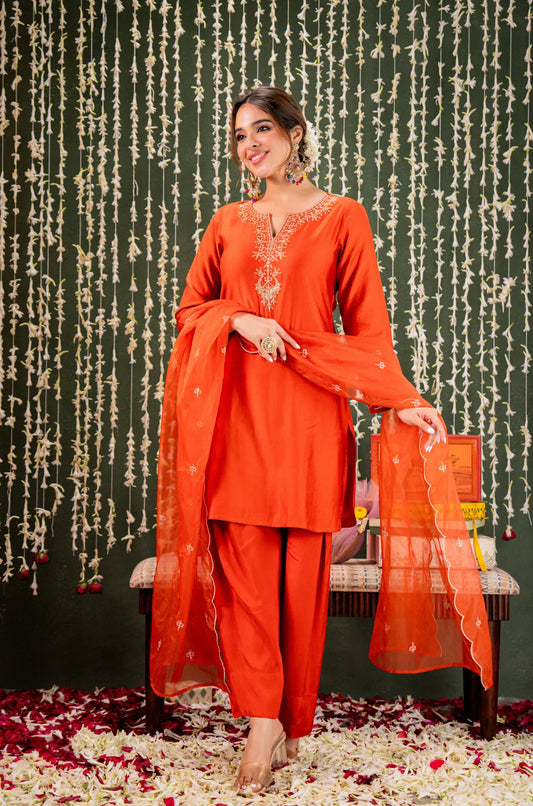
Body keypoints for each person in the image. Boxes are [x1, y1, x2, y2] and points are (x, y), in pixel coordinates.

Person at [150, 86, 493, 796]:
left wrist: (401, 401)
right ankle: (260, 726)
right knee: (245, 581)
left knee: (296, 584)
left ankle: (283, 717)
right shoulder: (227, 221)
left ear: (295, 133)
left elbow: (367, 330)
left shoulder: (343, 217)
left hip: (310, 418)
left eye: (263, 129)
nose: (250, 145)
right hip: (236, 420)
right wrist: (238, 321)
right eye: (239, 135)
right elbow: (191, 310)